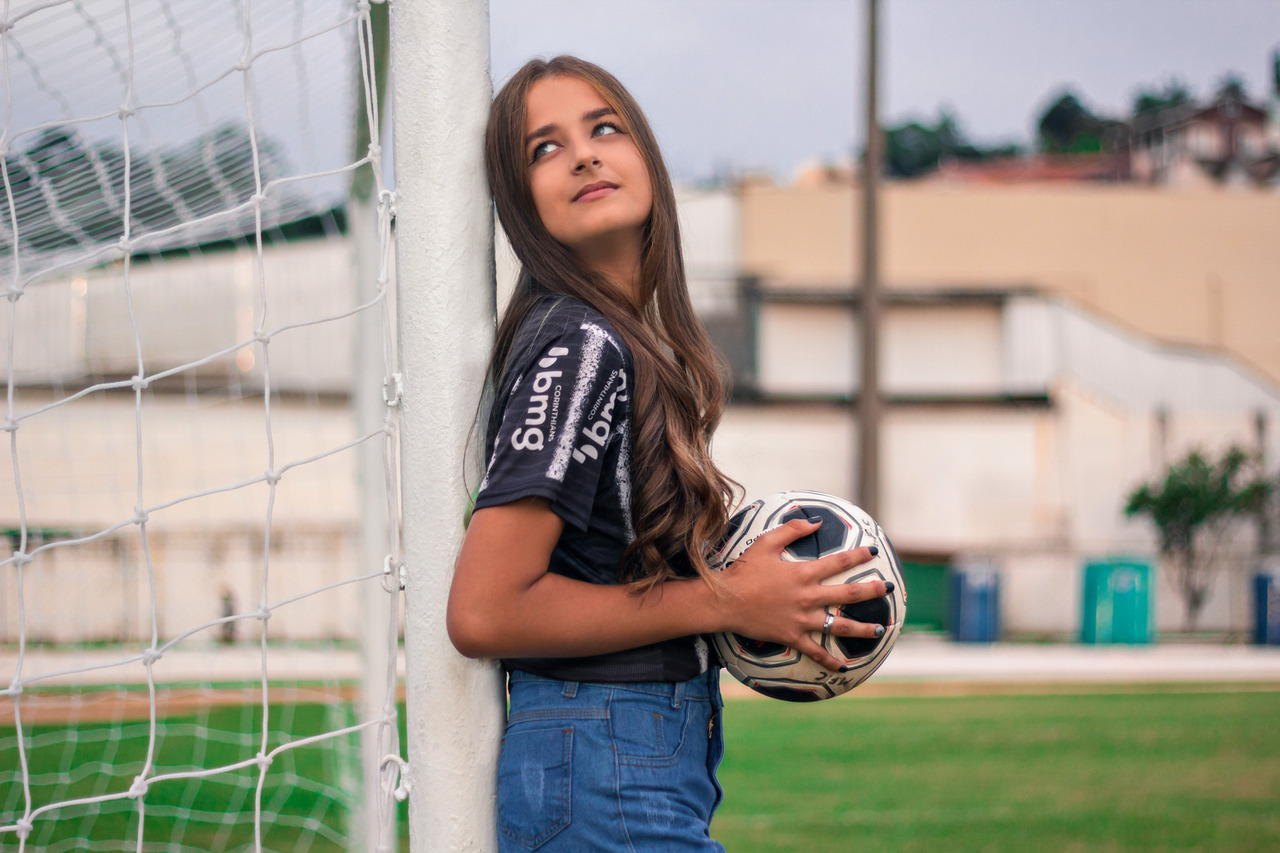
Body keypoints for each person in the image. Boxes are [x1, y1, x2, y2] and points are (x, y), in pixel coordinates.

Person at [447, 55, 892, 852]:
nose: (583, 155)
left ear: (647, 154)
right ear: (518, 202)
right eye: (544, 148)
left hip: (628, 755)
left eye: (604, 128)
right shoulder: (578, 345)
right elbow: (486, 609)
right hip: (603, 760)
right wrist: (726, 600)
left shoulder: (623, 341)